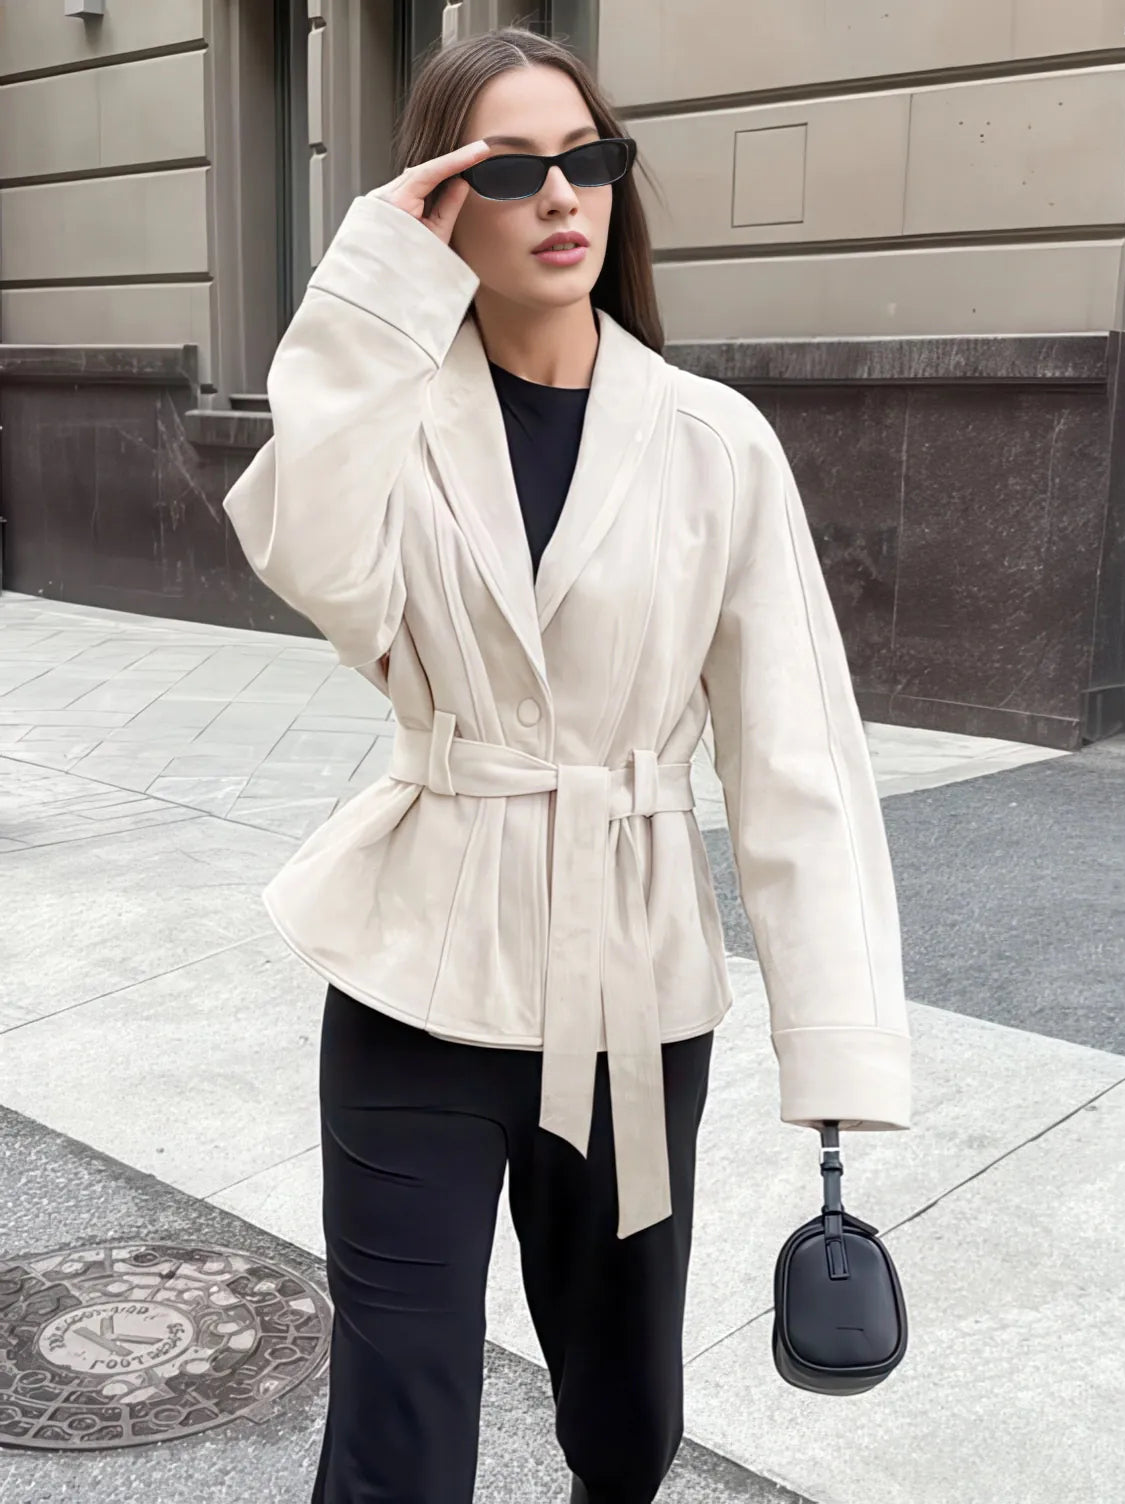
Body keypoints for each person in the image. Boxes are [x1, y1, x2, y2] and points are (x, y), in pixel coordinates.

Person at [222, 25, 911, 1504]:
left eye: (586, 158)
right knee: (400, 1399)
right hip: (419, 967)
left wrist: (836, 1049)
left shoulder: (715, 441)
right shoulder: (389, 425)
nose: (561, 195)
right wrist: (374, 298)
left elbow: (797, 758)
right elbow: (310, 558)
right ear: (440, 206)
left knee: (621, 1404)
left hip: (631, 992)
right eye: (512, 167)